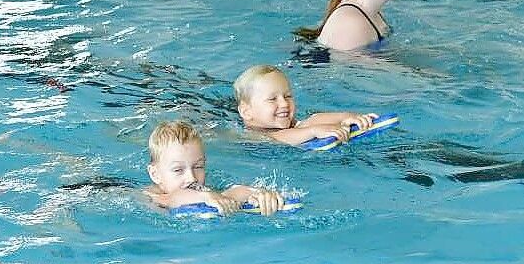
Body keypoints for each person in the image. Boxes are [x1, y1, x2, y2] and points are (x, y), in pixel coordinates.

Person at [145, 121, 285, 216]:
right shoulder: (152, 196)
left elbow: (228, 195)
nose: (192, 178)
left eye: (198, 166)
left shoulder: (205, 191)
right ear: (155, 174)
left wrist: (258, 194)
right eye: (178, 170)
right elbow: (172, 199)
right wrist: (205, 197)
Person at [234, 64, 377, 146]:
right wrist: (314, 132)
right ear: (247, 112)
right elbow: (276, 138)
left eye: (288, 96)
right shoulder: (247, 136)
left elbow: (310, 121)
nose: (284, 103)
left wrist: (345, 118)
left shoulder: (289, 124)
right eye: (272, 99)